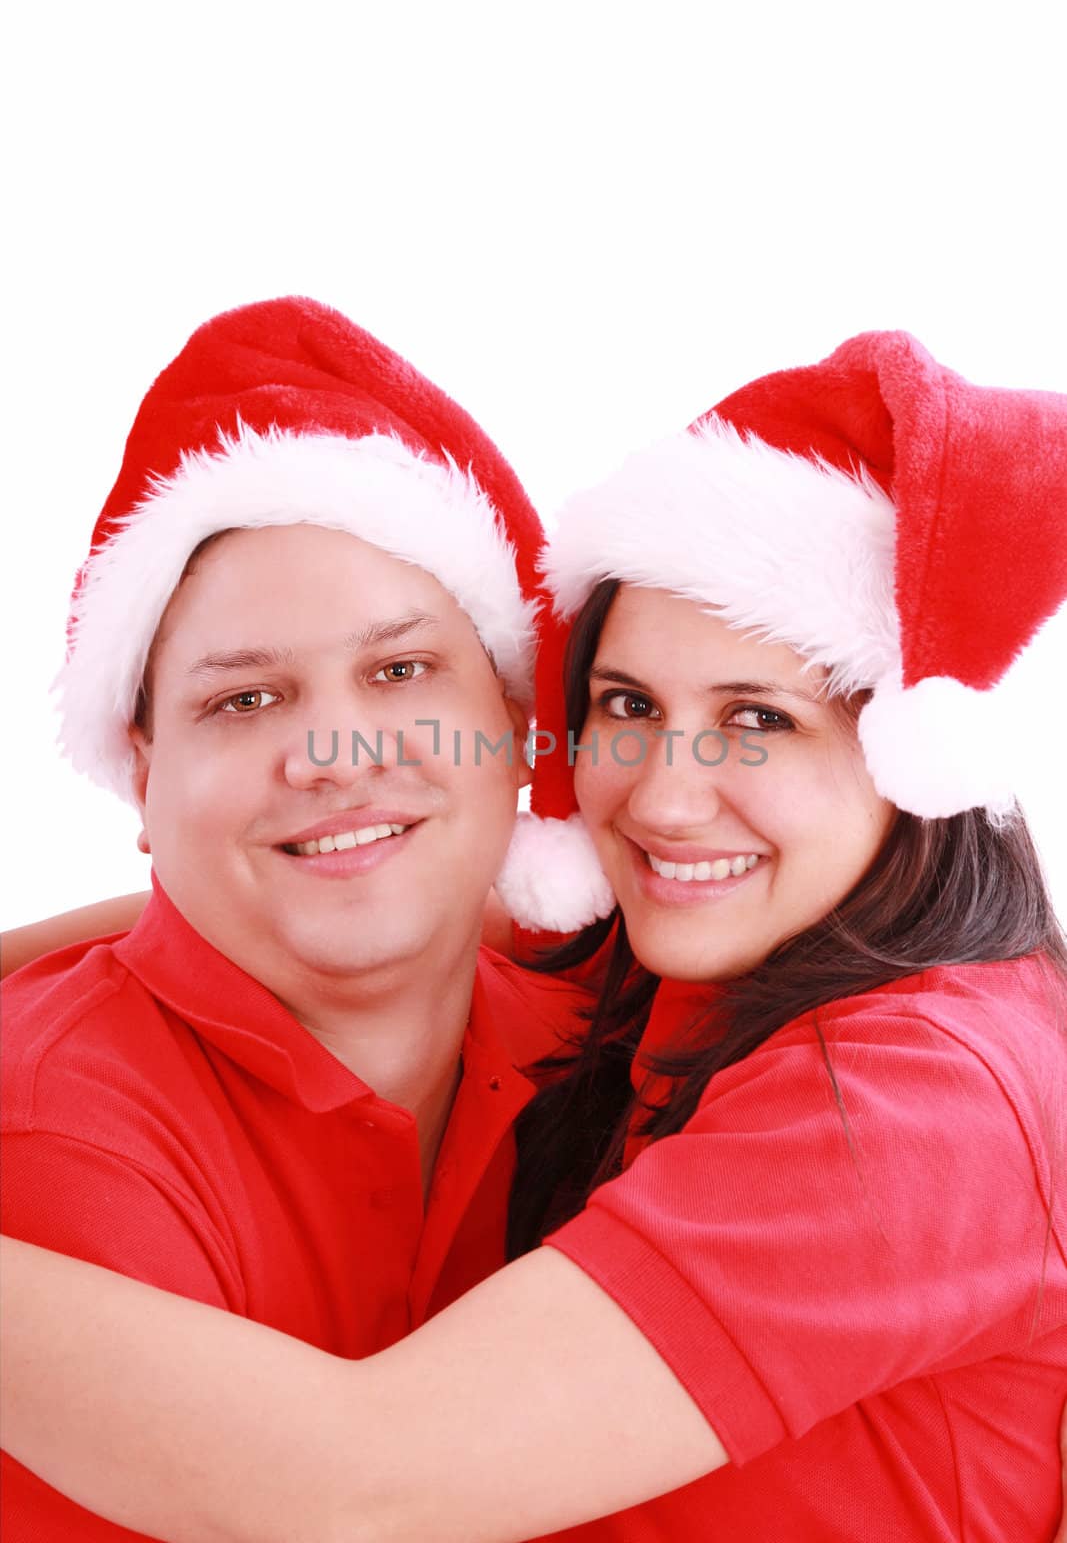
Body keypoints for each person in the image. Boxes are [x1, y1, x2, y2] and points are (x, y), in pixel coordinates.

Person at [3, 329, 1066, 1540]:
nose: (665, 799)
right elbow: (391, 869)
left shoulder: (910, 1102)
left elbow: (359, 1486)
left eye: (758, 720)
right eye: (626, 705)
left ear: (907, 760)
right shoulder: (664, 958)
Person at [0, 295, 596, 1540]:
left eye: (398, 672)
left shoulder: (617, 1030)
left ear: (513, 730)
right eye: (245, 699)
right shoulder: (54, 1130)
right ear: (144, 778)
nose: (334, 753)